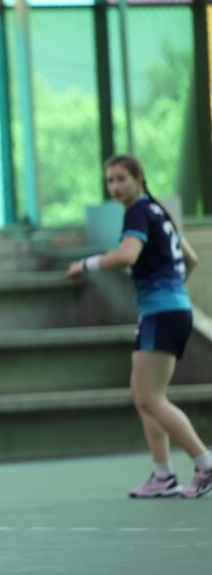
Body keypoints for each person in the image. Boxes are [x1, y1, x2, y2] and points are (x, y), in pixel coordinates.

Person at [67, 154, 210, 499]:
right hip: (167, 310)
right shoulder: (158, 211)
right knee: (142, 395)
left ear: (139, 180)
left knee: (150, 397)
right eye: (110, 181)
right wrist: (171, 290)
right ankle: (163, 475)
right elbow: (190, 259)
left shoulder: (138, 212)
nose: (115, 187)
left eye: (121, 179)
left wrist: (85, 265)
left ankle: (205, 464)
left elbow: (126, 255)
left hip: (162, 312)